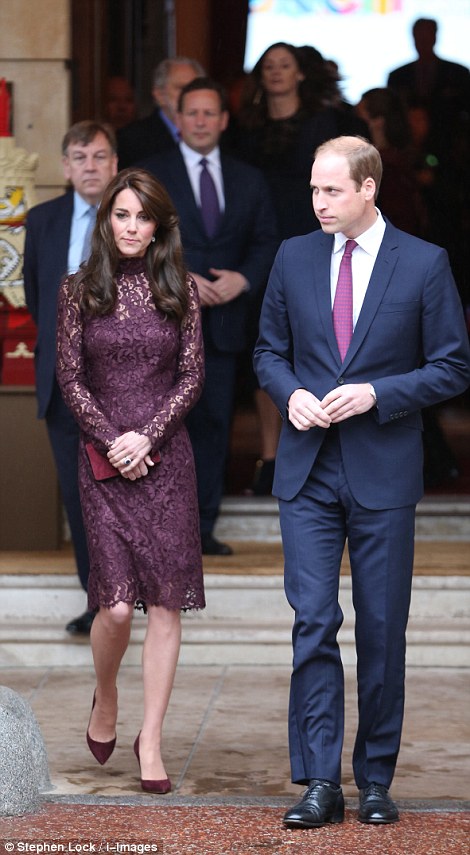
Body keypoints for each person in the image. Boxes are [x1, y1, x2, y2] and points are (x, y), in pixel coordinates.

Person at [254, 135, 470, 828]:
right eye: (314, 190)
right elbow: (268, 350)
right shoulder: (293, 255)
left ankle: (375, 776)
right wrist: (288, 394)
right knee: (314, 621)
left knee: (382, 628)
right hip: (308, 468)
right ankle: (320, 779)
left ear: (368, 188)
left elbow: (452, 367)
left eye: (331, 191)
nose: (317, 202)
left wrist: (380, 392)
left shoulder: (425, 264)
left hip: (383, 467)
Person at [55, 168, 205, 792]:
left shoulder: (181, 291)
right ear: (106, 220)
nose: (132, 227)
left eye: (143, 217)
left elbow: (192, 376)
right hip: (103, 460)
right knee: (115, 606)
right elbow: (70, 378)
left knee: (166, 604)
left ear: (159, 226)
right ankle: (107, 695)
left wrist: (148, 435)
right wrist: (115, 442)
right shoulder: (78, 290)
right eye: (122, 215)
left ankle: (152, 740)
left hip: (166, 460)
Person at [141, 77, 279, 555]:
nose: (200, 121)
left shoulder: (248, 177)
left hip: (222, 325)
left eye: (209, 113)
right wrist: (178, 277)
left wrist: (242, 280)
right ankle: (161, 529)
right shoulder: (150, 174)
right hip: (160, 323)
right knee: (159, 426)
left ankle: (200, 529)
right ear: (177, 121)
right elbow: (137, 238)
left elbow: (267, 241)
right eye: (191, 113)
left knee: (213, 425)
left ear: (223, 121)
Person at [235, 42, 367, 494]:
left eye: (284, 65)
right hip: (262, 247)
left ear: (300, 75)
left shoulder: (326, 123)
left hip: (319, 244)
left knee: (323, 341)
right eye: (268, 66)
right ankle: (270, 457)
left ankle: (329, 454)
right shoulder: (245, 127)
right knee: (269, 348)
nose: (275, 73)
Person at [23, 120, 118, 635]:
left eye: (100, 157)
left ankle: (133, 594)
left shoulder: (134, 219)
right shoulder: (42, 220)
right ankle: (97, 602)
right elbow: (38, 297)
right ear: (64, 166)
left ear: (115, 164)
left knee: (124, 497)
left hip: (126, 389)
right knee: (80, 497)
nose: (90, 166)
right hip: (63, 385)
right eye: (80, 157)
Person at [387, 18, 470, 156]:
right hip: (408, 151)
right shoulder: (398, 76)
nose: (423, 40)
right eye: (419, 35)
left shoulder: (458, 73)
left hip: (451, 149)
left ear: (435, 36)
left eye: (427, 35)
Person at [116, 57, 204, 168]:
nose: (189, 95)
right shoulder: (131, 140)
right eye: (181, 88)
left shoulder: (216, 136)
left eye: (194, 88)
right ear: (159, 95)